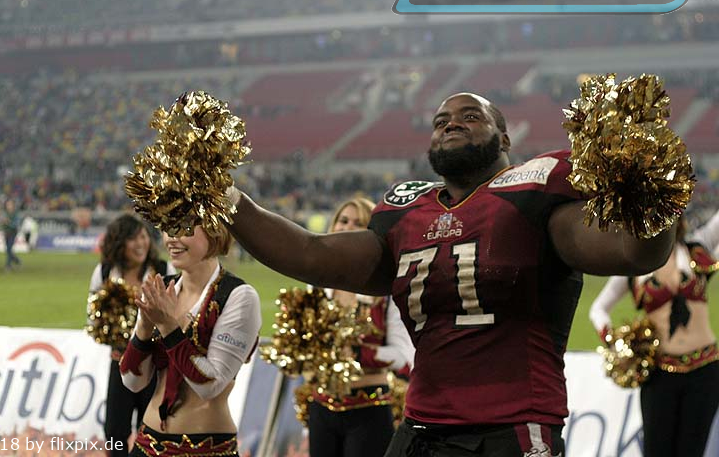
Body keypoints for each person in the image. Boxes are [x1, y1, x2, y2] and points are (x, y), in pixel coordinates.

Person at [222, 92, 679, 456]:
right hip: (421, 429)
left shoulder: (534, 194)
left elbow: (634, 253)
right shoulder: (405, 213)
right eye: (441, 120)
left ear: (504, 139)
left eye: (470, 116)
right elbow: (309, 253)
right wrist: (228, 199)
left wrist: (652, 193)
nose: (451, 123)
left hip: (511, 429)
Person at [119, 222, 261, 457]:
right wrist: (144, 326)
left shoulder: (239, 296)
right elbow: (132, 381)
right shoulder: (162, 289)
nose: (171, 238)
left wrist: (168, 326)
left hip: (208, 449)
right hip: (147, 444)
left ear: (214, 229)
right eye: (167, 228)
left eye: (184, 228)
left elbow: (210, 385)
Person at [589, 207, 719, 457]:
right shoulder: (635, 266)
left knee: (692, 451)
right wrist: (616, 343)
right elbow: (598, 309)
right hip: (660, 374)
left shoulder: (697, 247)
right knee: (656, 450)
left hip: (705, 370)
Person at [308, 197, 414, 457]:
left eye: (358, 223)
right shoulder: (316, 285)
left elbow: (403, 355)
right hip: (320, 407)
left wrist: (359, 354)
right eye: (343, 220)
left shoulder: (387, 291)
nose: (348, 228)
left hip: (370, 408)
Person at [87, 214, 175, 456]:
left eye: (144, 237)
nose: (141, 244)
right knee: (114, 432)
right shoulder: (105, 272)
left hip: (156, 369)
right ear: (119, 242)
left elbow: (174, 314)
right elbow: (93, 318)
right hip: (120, 363)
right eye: (133, 239)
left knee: (151, 431)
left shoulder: (163, 270)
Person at [1, 198, 21, 271]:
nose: (9, 206)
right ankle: (17, 260)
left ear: (13, 205)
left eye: (10, 204)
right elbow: (3, 224)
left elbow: (16, 224)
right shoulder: (5, 213)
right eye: (7, 204)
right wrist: (3, 224)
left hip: (13, 233)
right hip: (6, 233)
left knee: (9, 248)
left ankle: (8, 265)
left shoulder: (16, 214)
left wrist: (8, 222)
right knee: (8, 250)